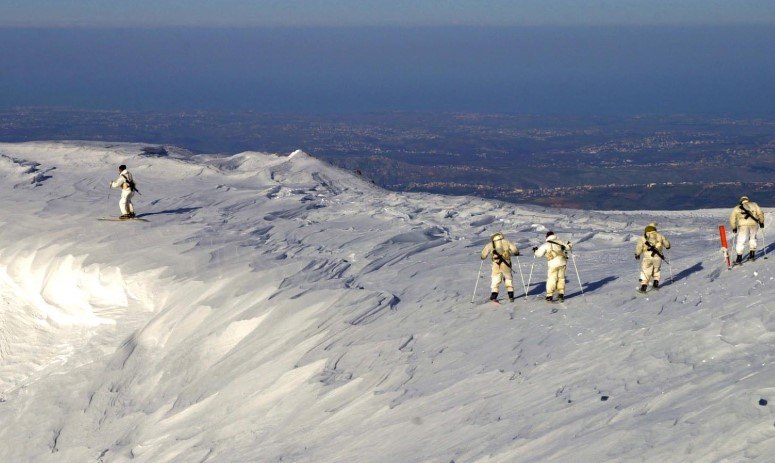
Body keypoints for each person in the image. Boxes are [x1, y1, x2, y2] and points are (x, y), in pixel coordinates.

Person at [480, 232, 520, 302]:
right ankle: (511, 295)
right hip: (506, 264)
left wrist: (483, 257)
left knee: (495, 280)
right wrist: (516, 253)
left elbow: (484, 254)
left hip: (496, 264)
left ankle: (494, 296)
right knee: (508, 279)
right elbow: (515, 249)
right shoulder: (506, 242)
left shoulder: (490, 244)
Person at [533, 231, 572, 302]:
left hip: (553, 264)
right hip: (562, 262)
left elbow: (539, 254)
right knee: (561, 278)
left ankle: (549, 295)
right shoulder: (560, 242)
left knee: (552, 279)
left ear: (547, 237)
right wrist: (569, 244)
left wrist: (535, 250)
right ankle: (561, 294)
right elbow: (568, 248)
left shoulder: (546, 244)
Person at [635, 223, 671, 292]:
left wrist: (637, 254)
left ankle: (644, 286)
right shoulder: (660, 236)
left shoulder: (643, 237)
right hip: (658, 256)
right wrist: (668, 246)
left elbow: (639, 247)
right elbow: (667, 245)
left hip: (647, 257)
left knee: (645, 271)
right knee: (656, 270)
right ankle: (656, 283)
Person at [729, 196, 765, 263]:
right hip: (754, 224)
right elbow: (760, 213)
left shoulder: (737, 208)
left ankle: (739, 259)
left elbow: (732, 218)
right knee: (753, 238)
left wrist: (734, 228)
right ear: (747, 200)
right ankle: (752, 255)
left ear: (741, 201)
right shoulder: (754, 205)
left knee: (741, 241)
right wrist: (761, 222)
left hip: (743, 226)